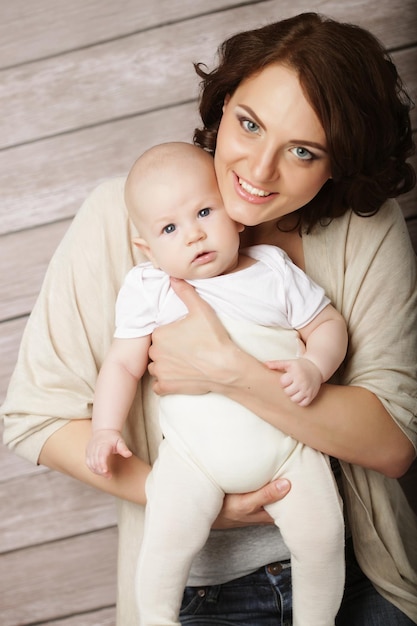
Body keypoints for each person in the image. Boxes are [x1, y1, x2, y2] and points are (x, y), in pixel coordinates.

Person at [1, 11, 416, 626]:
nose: (258, 170)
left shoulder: (363, 228)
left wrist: (229, 371)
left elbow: (392, 443)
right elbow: (34, 419)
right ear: (222, 107)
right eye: (249, 124)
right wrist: (195, 504)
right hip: (205, 594)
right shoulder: (123, 217)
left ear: (339, 162)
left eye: (303, 150)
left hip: (358, 572)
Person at [86, 141, 348, 626]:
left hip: (290, 449)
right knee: (166, 534)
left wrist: (314, 365)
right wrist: (105, 428)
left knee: (323, 536)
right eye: (170, 228)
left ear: (236, 214)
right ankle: (158, 619)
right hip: (193, 460)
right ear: (147, 247)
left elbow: (328, 326)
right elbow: (122, 365)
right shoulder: (150, 289)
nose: (193, 235)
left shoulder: (271, 270)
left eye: (205, 211)